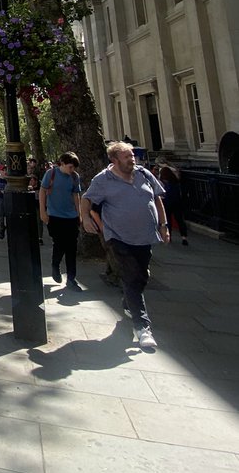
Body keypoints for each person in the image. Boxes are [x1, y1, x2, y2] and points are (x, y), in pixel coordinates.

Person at [81, 141, 169, 351]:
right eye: (127, 156)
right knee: (131, 277)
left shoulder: (144, 174)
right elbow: (87, 199)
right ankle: (142, 327)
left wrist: (163, 225)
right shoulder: (103, 180)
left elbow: (157, 200)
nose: (132, 159)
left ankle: (128, 302)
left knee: (141, 276)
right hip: (119, 237)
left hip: (145, 236)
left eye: (132, 155)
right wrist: (84, 218)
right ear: (114, 159)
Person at [39, 152, 82, 289]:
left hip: (71, 217)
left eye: (74, 168)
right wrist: (42, 212)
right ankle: (55, 265)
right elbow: (42, 191)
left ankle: (71, 279)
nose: (72, 170)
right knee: (60, 244)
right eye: (70, 167)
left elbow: (76, 195)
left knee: (71, 248)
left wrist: (79, 214)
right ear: (62, 163)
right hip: (55, 216)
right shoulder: (51, 174)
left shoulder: (75, 177)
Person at [158, 165, 189, 246]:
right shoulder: (175, 182)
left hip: (167, 203)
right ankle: (184, 237)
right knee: (180, 220)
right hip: (178, 203)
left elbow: (163, 194)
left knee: (168, 220)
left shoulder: (164, 182)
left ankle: (169, 236)